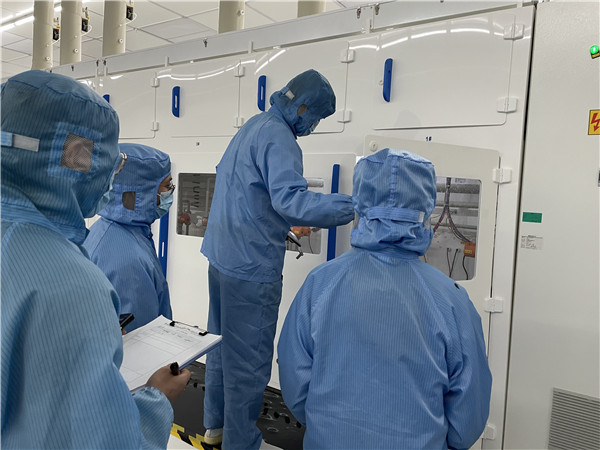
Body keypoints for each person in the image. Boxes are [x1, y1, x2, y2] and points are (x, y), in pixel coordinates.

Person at [1, 70, 190, 449]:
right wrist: (157, 399)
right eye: (111, 162)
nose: (112, 176)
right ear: (77, 157)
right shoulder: (71, 284)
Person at [277, 149, 492, 449]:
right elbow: (468, 415)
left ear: (361, 205)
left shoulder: (320, 283)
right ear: (425, 211)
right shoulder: (452, 300)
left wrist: (327, 428)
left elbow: (294, 377)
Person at [200, 69, 354, 449]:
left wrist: (276, 226)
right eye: (316, 117)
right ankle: (240, 443)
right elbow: (291, 200)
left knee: (219, 348)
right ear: (302, 108)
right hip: (250, 269)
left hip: (221, 257)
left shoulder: (254, 126)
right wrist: (352, 206)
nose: (314, 125)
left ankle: (214, 429)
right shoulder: (281, 137)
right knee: (248, 362)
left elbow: (249, 193)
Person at [83, 143, 174, 332]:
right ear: (142, 192)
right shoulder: (126, 260)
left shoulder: (111, 229)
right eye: (167, 186)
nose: (170, 192)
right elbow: (138, 338)